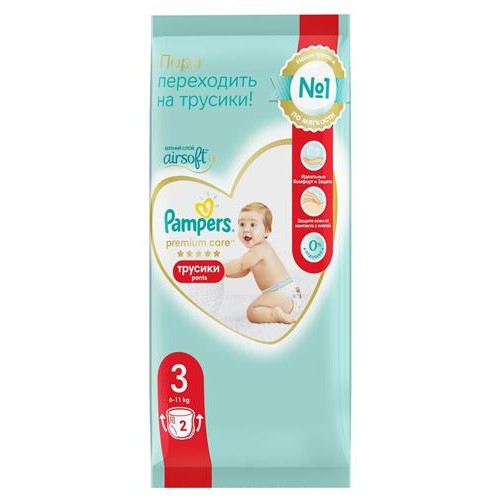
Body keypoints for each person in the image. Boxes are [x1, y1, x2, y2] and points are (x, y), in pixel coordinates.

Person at [224, 202, 301, 324]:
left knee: (252, 311)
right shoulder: (256, 251)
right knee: (256, 309)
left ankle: (275, 315)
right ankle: (277, 312)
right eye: (242, 224)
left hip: (283, 294)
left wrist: (219, 269)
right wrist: (224, 274)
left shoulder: (260, 249)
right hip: (287, 294)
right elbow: (243, 271)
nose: (246, 229)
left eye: (253, 224)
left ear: (266, 231)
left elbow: (240, 265)